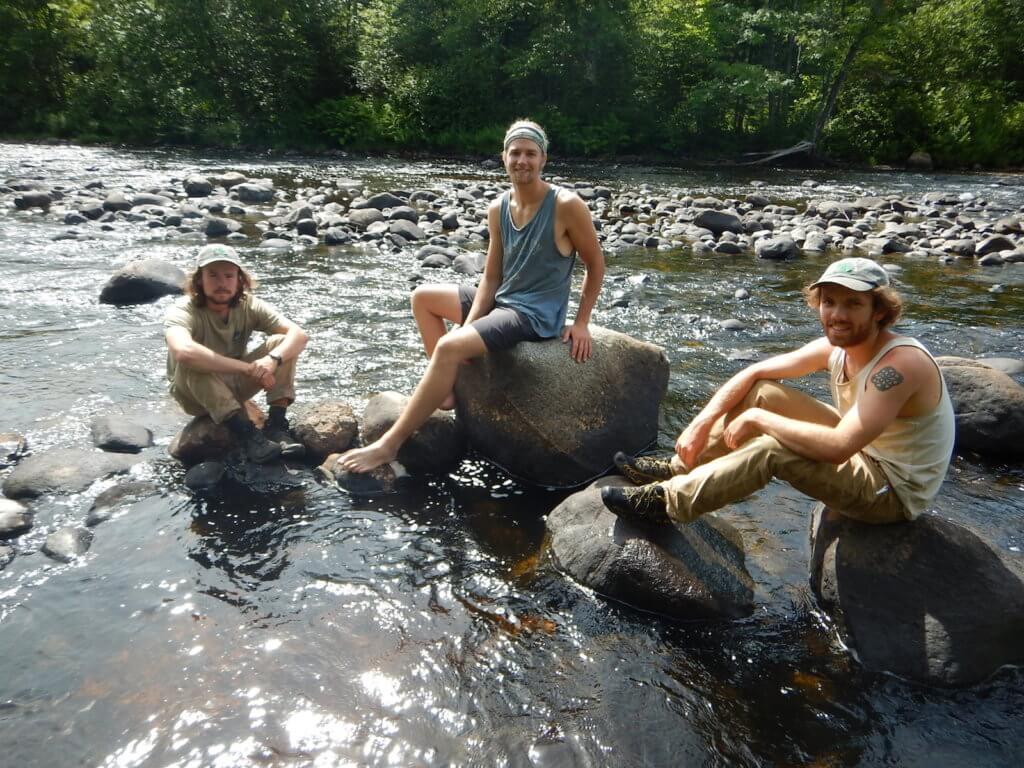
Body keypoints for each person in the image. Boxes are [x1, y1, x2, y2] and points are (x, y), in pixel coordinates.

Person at [338, 118, 605, 473]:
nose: (522, 160)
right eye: (515, 153)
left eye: (530, 153)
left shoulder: (566, 205)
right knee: (423, 297)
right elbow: (492, 277)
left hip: (534, 314)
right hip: (503, 299)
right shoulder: (498, 208)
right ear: (504, 157)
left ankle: (389, 445)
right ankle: (446, 390)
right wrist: (470, 324)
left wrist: (582, 321)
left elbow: (596, 264)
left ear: (543, 160)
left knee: (449, 347)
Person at [604, 257, 955, 526]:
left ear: (879, 311)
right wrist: (701, 422)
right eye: (829, 301)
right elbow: (755, 371)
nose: (836, 314)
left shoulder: (898, 366)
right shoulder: (835, 349)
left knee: (772, 448)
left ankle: (667, 504)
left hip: (892, 490)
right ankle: (681, 468)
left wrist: (758, 419)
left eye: (852, 304)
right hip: (863, 452)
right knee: (763, 390)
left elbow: (839, 448)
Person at [165, 244, 309, 464]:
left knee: (281, 343)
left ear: (240, 280)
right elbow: (183, 351)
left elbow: (299, 335)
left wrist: (272, 360)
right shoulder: (183, 309)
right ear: (199, 280)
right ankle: (248, 436)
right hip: (194, 394)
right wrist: (247, 368)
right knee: (194, 361)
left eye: (229, 276)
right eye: (212, 275)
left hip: (234, 385)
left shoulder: (248, 305)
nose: (221, 283)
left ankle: (277, 426)